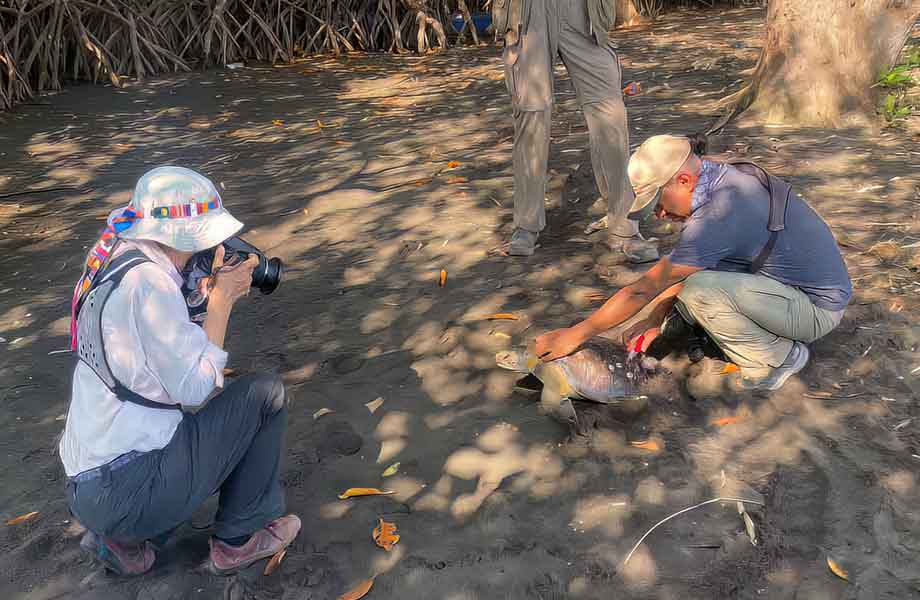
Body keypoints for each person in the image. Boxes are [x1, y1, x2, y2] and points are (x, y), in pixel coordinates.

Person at [60, 166, 300, 576]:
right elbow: (197, 388)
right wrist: (222, 300)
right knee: (265, 396)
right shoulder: (151, 285)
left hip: (86, 484)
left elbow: (153, 349)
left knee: (174, 424)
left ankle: (122, 543)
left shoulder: (115, 253)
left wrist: (200, 294)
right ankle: (237, 542)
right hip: (128, 493)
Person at [535, 134, 852, 391]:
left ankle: (778, 358)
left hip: (816, 309)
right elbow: (687, 270)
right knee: (689, 295)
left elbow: (642, 290)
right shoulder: (724, 178)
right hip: (790, 287)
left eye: (657, 203)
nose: (659, 215)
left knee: (700, 291)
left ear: (684, 180)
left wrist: (577, 334)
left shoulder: (717, 216)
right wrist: (655, 317)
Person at [493, 0, 658, 261]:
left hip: (583, 10)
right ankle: (526, 225)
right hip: (529, 12)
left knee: (609, 113)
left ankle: (622, 224)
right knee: (531, 117)